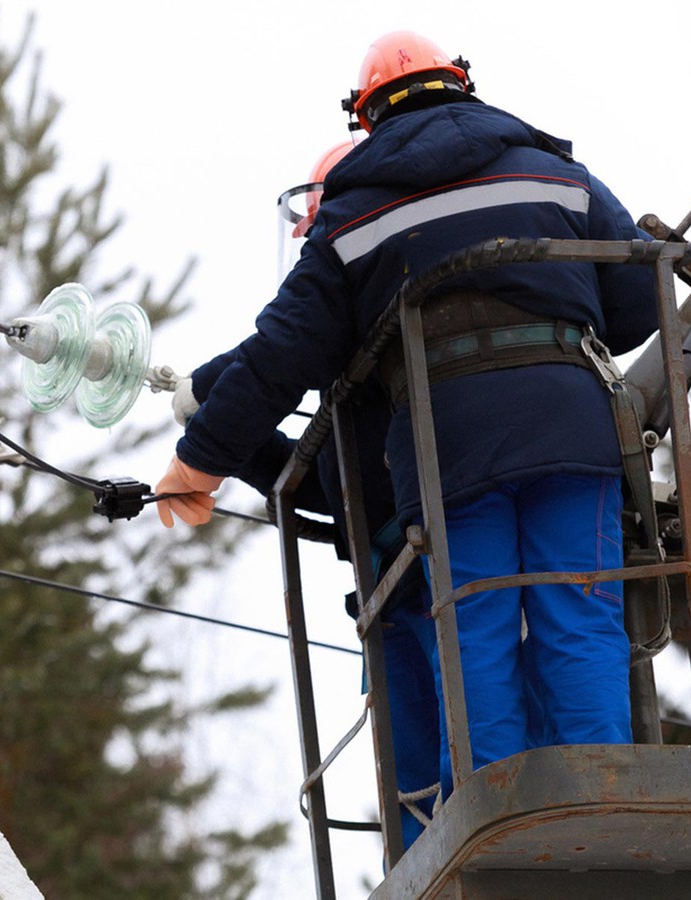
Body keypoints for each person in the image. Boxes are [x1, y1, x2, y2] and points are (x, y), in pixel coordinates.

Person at [155, 30, 657, 802]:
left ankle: (498, 824)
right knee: (580, 620)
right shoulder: (557, 173)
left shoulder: (353, 216)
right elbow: (639, 303)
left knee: (475, 633)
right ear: (461, 85)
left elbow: (283, 353)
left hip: (444, 445)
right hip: (571, 427)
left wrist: (200, 460)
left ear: (367, 118)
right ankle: (611, 808)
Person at [171, 142, 442, 850]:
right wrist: (231, 437)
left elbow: (277, 353)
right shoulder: (370, 332)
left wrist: (207, 413)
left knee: (463, 736)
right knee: (429, 758)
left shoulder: (375, 293)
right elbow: (327, 477)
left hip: (434, 551)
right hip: (395, 574)